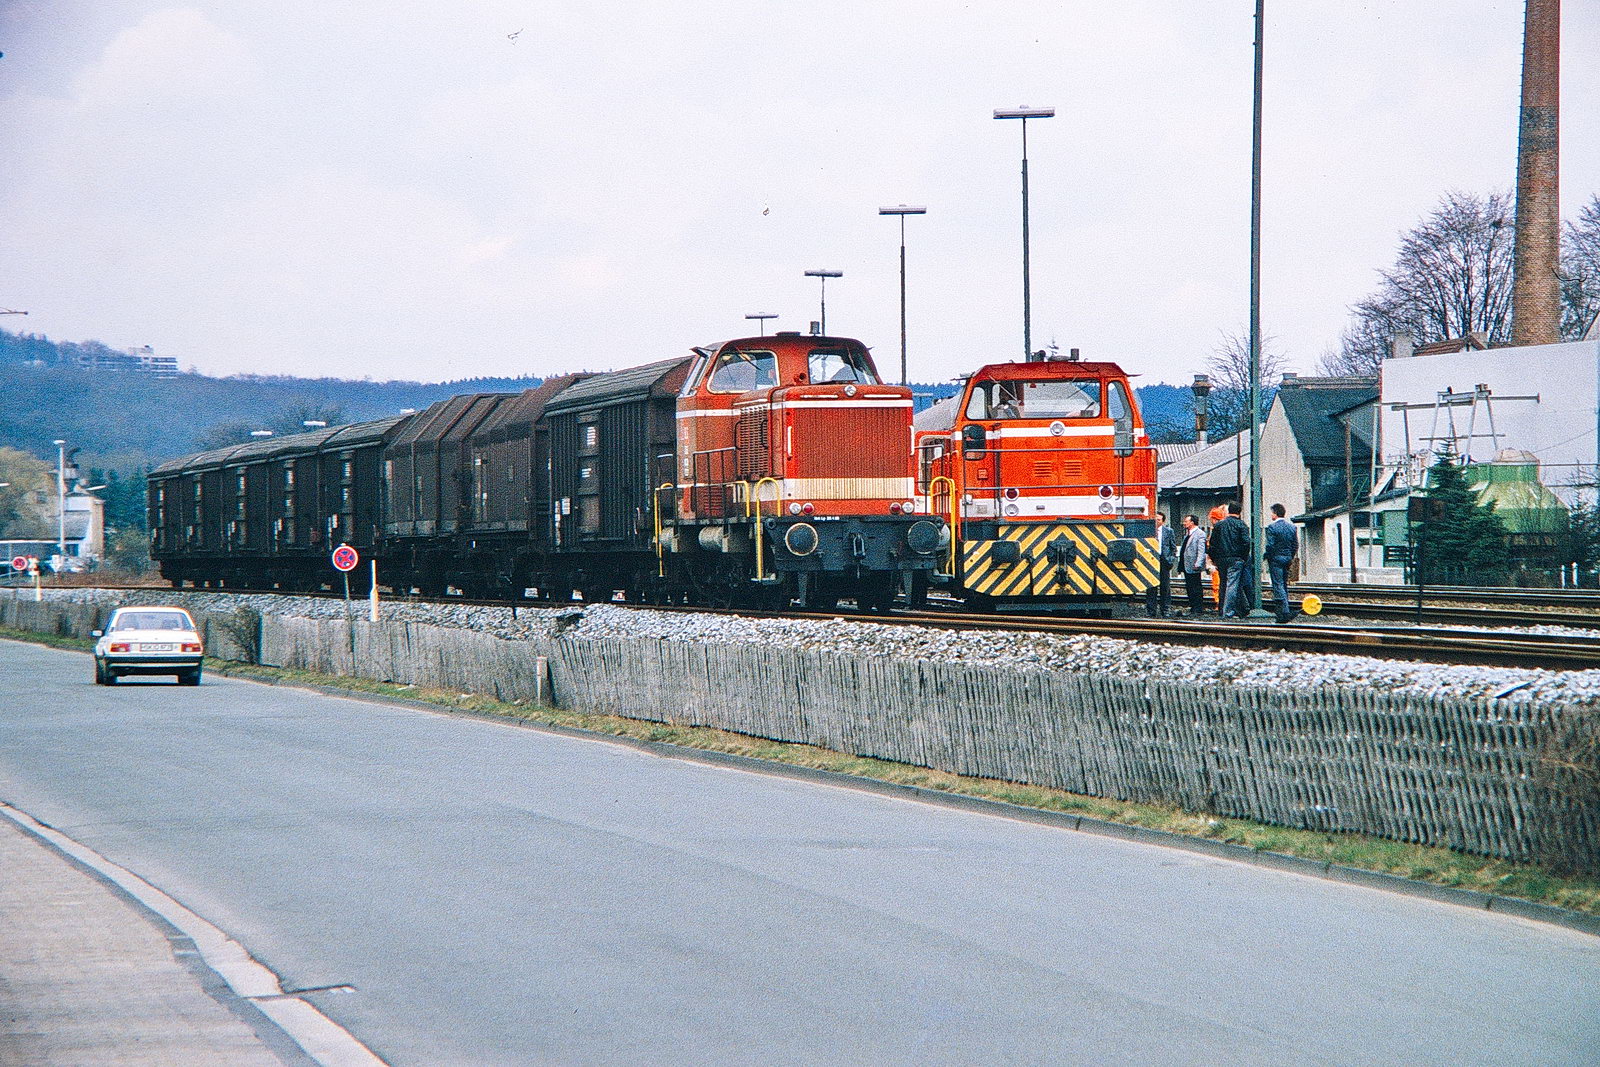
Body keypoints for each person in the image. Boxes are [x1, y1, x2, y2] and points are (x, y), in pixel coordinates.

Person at [1208, 501, 1252, 619]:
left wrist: (1214, 559)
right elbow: (1246, 543)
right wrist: (1243, 557)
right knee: (1232, 584)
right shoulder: (1241, 525)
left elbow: (1212, 544)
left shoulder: (1219, 525)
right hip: (1236, 559)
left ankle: (1223, 609)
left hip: (1221, 559)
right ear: (1239, 512)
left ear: (1229, 511)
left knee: (1223, 584)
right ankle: (1228, 612)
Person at [1265, 502, 1300, 624]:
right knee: (1284, 584)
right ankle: (1286, 607)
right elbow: (1295, 545)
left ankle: (1284, 612)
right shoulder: (1292, 527)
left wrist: (1268, 556)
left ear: (1275, 513)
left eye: (1272, 513)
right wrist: (1290, 556)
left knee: (1278, 584)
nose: (1271, 515)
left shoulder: (1272, 527)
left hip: (1276, 559)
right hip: (1287, 558)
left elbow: (1270, 545)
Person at [1144, 511, 1178, 617]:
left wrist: (1170, 559)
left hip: (1164, 561)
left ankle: (1165, 609)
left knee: (1165, 587)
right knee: (1151, 587)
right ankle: (1151, 610)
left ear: (1163, 521)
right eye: (1155, 519)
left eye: (1158, 519)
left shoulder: (1168, 531)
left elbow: (1173, 547)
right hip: (1151, 560)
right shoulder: (1148, 531)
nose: (1156, 521)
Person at [1179, 514, 1209, 615]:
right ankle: (1193, 607)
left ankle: (1197, 608)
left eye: (1186, 521)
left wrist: (1198, 563)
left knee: (1195, 587)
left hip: (1193, 565)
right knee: (1189, 587)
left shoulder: (1200, 534)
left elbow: (1201, 550)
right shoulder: (1187, 534)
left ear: (1192, 522)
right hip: (1187, 564)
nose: (1184, 523)